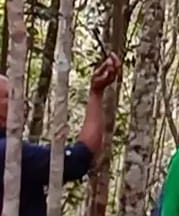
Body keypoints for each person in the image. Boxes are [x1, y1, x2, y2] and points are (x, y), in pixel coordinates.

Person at [0, 53, 121, 216]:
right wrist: (96, 93)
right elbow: (79, 159)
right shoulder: (8, 152)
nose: (20, 102)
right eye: (10, 96)